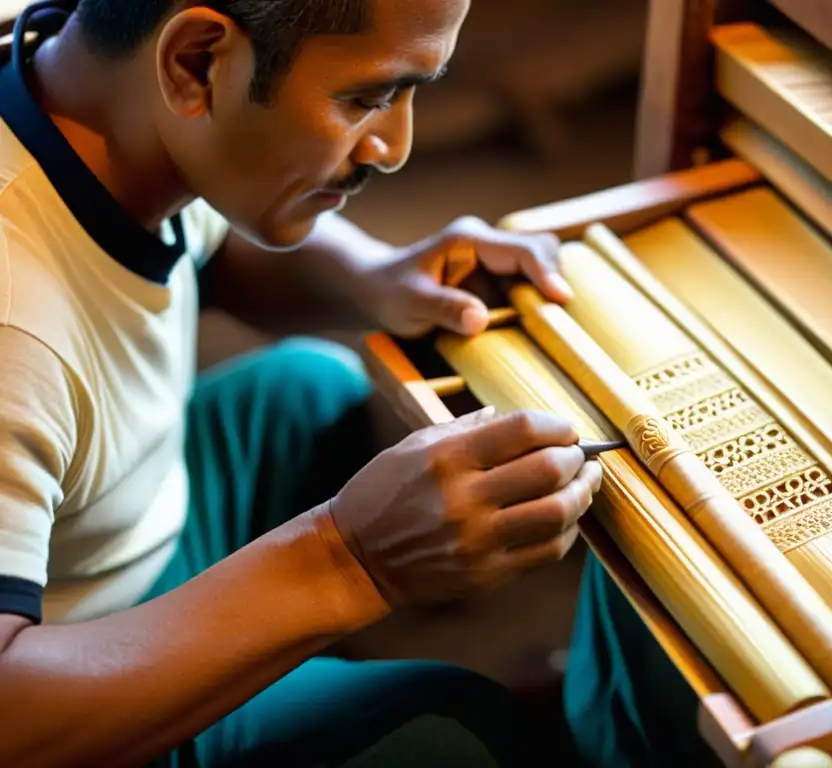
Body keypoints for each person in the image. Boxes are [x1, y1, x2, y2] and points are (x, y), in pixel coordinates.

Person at [0, 0, 608, 766]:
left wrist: (375, 276)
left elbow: (206, 249)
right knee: (444, 736)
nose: (395, 146)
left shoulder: (92, 94)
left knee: (313, 395)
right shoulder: (12, 320)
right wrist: (349, 560)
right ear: (194, 62)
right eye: (367, 99)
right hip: (51, 680)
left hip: (113, 544)